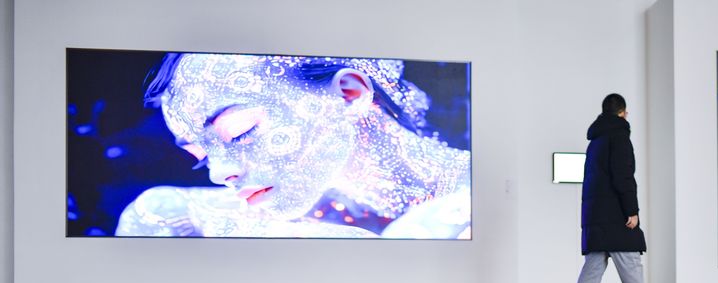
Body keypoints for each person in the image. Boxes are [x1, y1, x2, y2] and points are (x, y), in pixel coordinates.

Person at [116, 53, 471, 239]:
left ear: (350, 94)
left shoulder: (477, 202)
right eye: (200, 154)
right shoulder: (177, 213)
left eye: (239, 131)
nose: (219, 172)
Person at [565, 93, 674, 283]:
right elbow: (623, 176)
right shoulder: (619, 137)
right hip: (614, 214)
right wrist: (632, 210)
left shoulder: (595, 140)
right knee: (630, 259)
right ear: (623, 113)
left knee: (595, 263)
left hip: (595, 213)